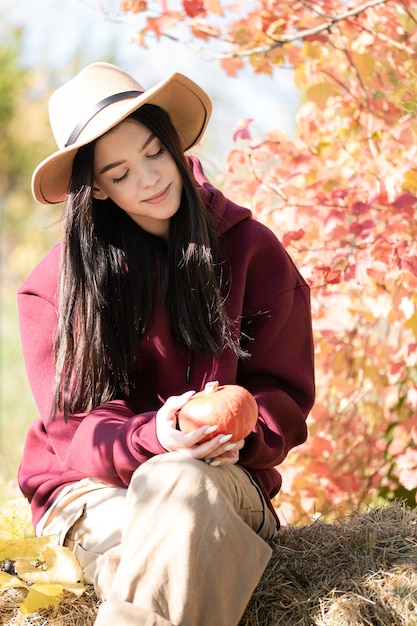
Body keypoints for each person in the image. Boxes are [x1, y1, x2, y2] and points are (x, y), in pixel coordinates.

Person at [17, 62, 315, 626]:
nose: (150, 178)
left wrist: (242, 433)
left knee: (176, 486)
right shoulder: (56, 287)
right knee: (171, 514)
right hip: (89, 487)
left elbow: (285, 393)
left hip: (224, 478)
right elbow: (72, 429)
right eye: (121, 172)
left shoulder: (252, 250)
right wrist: (157, 435)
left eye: (155, 152)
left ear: (174, 145)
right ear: (98, 189)